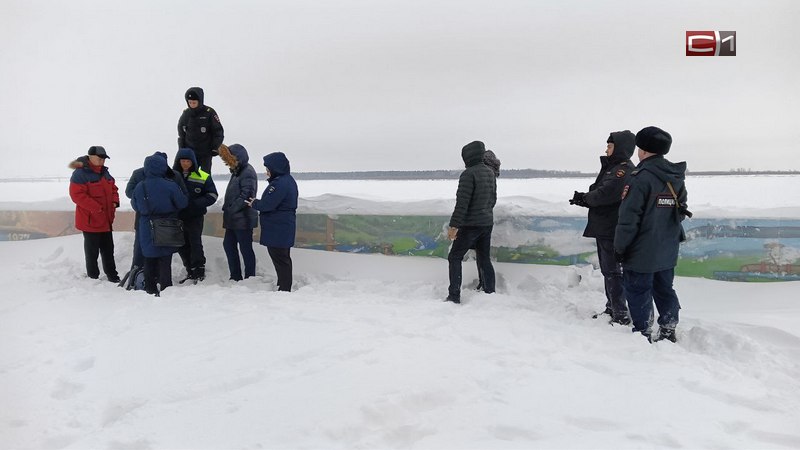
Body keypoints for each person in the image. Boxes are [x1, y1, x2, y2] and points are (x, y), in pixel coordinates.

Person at [614, 126, 690, 343]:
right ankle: (668, 329)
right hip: (667, 248)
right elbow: (680, 209)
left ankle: (642, 334)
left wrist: (620, 248)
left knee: (638, 291)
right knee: (665, 289)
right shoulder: (675, 176)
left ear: (643, 150)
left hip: (641, 251)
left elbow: (628, 219)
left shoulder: (640, 177)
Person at [570, 131, 635, 325]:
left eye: (610, 146)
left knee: (613, 272)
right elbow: (602, 191)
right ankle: (612, 308)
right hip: (606, 226)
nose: (606, 149)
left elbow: (605, 193)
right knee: (609, 271)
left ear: (620, 148)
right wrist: (586, 197)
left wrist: (584, 199)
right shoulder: (614, 168)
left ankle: (620, 313)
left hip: (611, 228)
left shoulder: (621, 171)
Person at [445, 141, 497, 304]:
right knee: (484, 257)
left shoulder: (468, 175)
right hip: (486, 223)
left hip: (470, 225)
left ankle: (454, 296)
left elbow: (462, 204)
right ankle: (489, 291)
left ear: (468, 156)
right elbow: (492, 199)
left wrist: (454, 226)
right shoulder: (489, 172)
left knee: (454, 257)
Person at [125, 152, 187, 287]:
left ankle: (150, 287)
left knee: (148, 257)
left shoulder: (140, 186)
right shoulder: (171, 185)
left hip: (147, 224)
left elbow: (135, 205)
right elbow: (182, 202)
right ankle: (166, 286)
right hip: (167, 224)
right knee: (165, 258)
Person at [246, 152, 298, 292]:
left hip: (278, 227)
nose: (267, 172)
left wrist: (255, 203)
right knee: (282, 258)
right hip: (281, 226)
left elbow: (268, 204)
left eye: (268, 169)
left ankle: (285, 288)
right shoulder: (286, 180)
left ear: (276, 168)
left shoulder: (280, 184)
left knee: (280, 258)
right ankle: (283, 285)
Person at [68, 146, 120, 282]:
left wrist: (115, 201)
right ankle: (93, 278)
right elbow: (77, 195)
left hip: (106, 220)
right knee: (92, 253)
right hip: (90, 221)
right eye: (99, 158)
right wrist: (97, 208)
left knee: (108, 250)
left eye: (104, 158)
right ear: (90, 157)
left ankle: (113, 276)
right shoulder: (80, 174)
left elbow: (114, 188)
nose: (102, 161)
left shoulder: (105, 173)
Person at [173, 148, 218, 282]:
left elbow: (212, 195)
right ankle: (189, 270)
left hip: (195, 216)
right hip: (178, 216)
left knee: (195, 244)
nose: (185, 164)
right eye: (183, 161)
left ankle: (199, 271)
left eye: (188, 161)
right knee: (181, 244)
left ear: (193, 162)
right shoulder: (172, 176)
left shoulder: (203, 176)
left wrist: (196, 204)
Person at [219, 144, 259, 281]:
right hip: (234, 219)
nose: (227, 162)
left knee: (245, 248)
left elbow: (247, 195)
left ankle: (250, 277)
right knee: (229, 245)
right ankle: (235, 276)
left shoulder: (247, 171)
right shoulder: (237, 171)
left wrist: (231, 209)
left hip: (243, 219)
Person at [177, 87, 224, 173]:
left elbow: (218, 131)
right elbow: (181, 134)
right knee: (189, 176)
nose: (192, 104)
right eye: (189, 102)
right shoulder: (186, 114)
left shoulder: (209, 113)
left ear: (200, 101)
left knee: (204, 176)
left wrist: (214, 147)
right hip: (190, 153)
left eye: (194, 102)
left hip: (205, 153)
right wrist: (182, 150)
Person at [475, 149, 501, 291]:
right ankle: (486, 286)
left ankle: (487, 286)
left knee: (482, 257)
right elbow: (493, 199)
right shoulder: (492, 175)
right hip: (486, 219)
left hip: (478, 220)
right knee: (483, 256)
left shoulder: (484, 174)